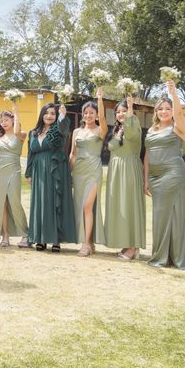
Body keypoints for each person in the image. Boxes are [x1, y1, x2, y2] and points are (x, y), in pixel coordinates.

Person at [144, 82, 185, 269]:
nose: (164, 112)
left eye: (168, 109)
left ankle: (161, 257)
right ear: (156, 111)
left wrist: (174, 93)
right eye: (160, 109)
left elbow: (180, 113)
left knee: (161, 216)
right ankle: (173, 255)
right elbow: (148, 156)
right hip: (155, 177)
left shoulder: (177, 127)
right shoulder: (151, 130)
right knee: (169, 215)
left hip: (173, 173)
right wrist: (146, 180)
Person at [25, 103, 76, 252]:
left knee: (54, 202)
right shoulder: (33, 132)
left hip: (56, 169)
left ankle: (56, 240)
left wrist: (62, 115)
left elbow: (64, 129)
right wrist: (28, 173)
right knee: (41, 202)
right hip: (38, 171)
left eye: (52, 113)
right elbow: (30, 153)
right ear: (42, 114)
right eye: (46, 113)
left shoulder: (59, 130)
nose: (49, 116)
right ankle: (40, 238)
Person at [104, 96, 146, 261]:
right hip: (116, 171)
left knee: (130, 206)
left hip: (129, 169)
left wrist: (130, 109)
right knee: (120, 207)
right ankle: (125, 243)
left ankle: (133, 246)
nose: (121, 114)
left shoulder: (132, 124)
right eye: (118, 112)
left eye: (124, 111)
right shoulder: (116, 129)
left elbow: (130, 133)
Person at [69, 89, 108, 257]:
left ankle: (86, 244)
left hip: (93, 170)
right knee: (80, 207)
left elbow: (104, 118)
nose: (88, 115)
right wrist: (68, 174)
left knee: (87, 205)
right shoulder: (77, 132)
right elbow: (72, 153)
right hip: (78, 172)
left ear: (97, 115)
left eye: (92, 113)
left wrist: (99, 99)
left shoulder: (100, 130)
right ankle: (89, 241)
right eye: (86, 112)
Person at [0, 103, 28, 247]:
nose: (4, 122)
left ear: (13, 120)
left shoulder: (21, 134)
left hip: (14, 172)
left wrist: (16, 112)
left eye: (7, 119)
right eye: (1, 121)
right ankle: (5, 235)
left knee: (15, 202)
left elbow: (18, 130)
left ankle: (25, 234)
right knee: (2, 204)